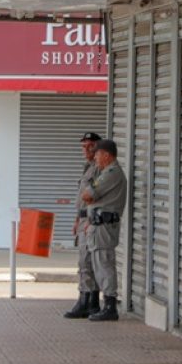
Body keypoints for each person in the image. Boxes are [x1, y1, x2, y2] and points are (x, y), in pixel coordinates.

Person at [81, 139, 127, 322]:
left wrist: (91, 198)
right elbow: (88, 198)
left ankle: (110, 306)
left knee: (105, 265)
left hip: (104, 227)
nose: (95, 157)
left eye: (98, 154)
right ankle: (105, 303)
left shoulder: (111, 173)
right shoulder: (105, 172)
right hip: (97, 226)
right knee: (99, 266)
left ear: (107, 155)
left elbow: (87, 195)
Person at [64, 132, 103, 319]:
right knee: (84, 261)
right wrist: (76, 220)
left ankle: (88, 301)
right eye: (83, 146)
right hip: (83, 219)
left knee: (87, 261)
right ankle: (88, 299)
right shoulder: (87, 167)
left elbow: (96, 198)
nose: (86, 150)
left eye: (91, 146)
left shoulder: (98, 169)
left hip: (91, 220)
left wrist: (87, 220)